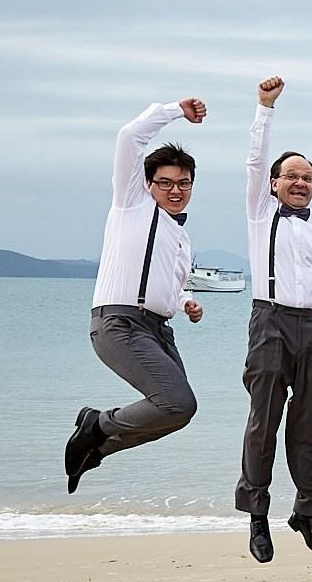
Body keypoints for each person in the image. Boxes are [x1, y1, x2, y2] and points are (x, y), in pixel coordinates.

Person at [65, 97, 210, 493]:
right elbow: (130, 136)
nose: (175, 190)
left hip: (159, 329)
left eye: (183, 183)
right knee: (176, 402)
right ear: (148, 184)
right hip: (120, 322)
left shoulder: (180, 234)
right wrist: (176, 110)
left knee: (178, 413)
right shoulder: (131, 205)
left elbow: (170, 282)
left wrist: (184, 303)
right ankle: (96, 424)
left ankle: (96, 448)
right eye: (165, 182)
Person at [235, 77, 312, 563]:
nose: (300, 183)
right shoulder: (261, 212)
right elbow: (256, 160)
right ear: (275, 184)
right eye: (292, 176)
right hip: (269, 323)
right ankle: (257, 516)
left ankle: (307, 511)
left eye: (307, 178)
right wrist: (265, 109)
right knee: (264, 421)